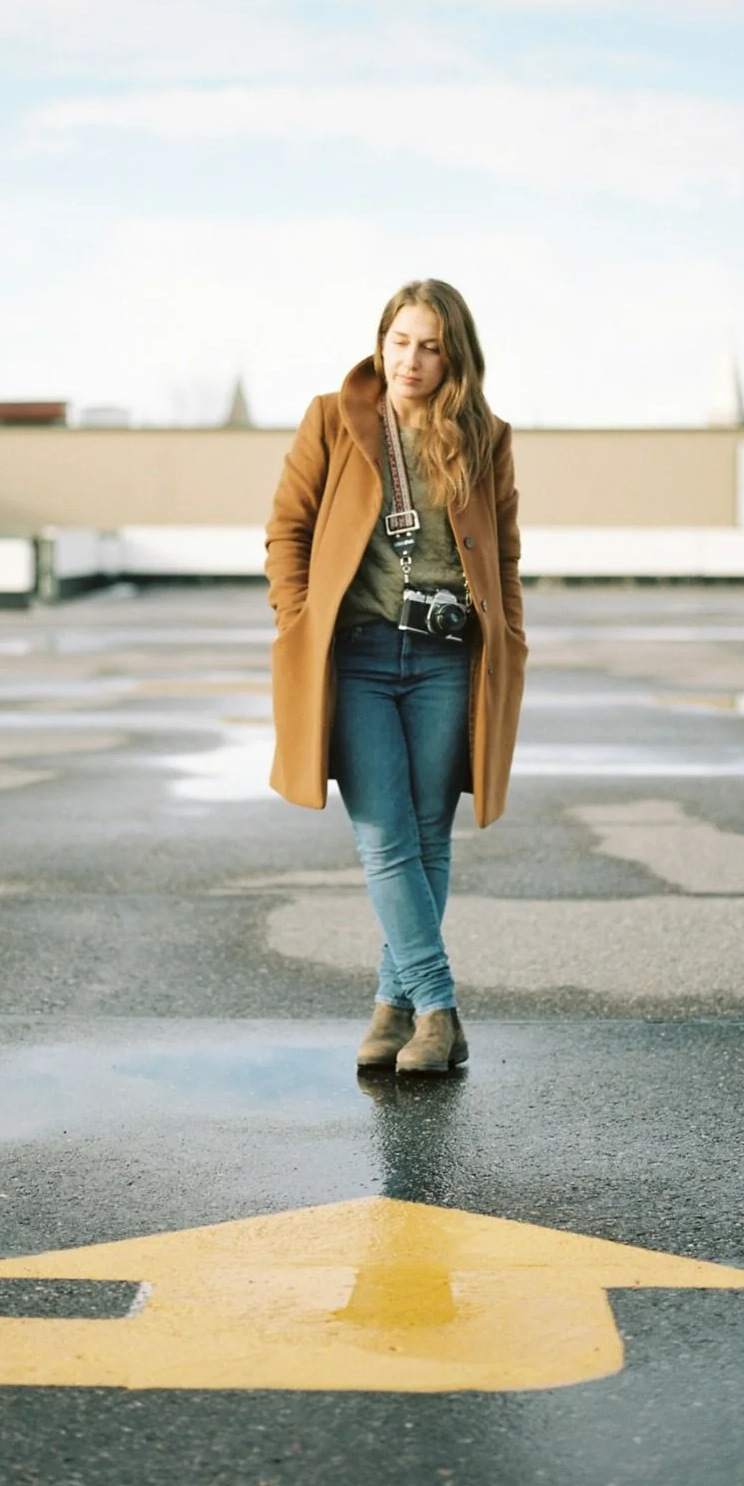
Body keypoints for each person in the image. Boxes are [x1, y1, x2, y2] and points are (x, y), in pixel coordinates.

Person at [264, 279, 526, 1074]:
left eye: (431, 345)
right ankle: (440, 1009)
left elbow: (505, 552)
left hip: (448, 658)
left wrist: (509, 633)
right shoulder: (333, 419)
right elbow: (288, 528)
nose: (412, 359)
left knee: (427, 838)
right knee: (384, 840)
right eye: (401, 341)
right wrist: (297, 619)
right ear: (381, 342)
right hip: (361, 658)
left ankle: (392, 1011)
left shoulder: (487, 437)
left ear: (456, 356)